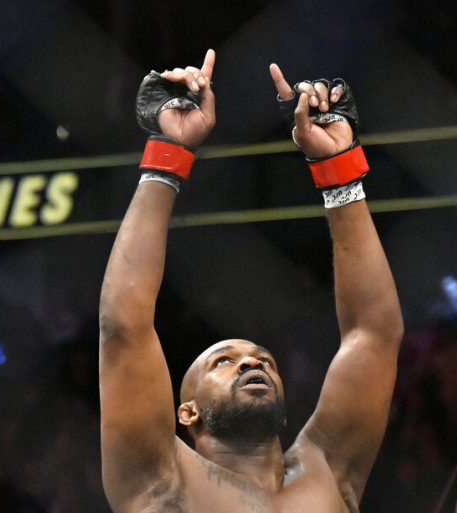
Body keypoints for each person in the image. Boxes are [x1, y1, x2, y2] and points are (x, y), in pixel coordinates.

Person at [98, 49, 404, 513]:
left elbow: (375, 335)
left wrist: (338, 168)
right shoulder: (159, 479)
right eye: (222, 362)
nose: (249, 363)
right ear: (187, 412)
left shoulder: (328, 470)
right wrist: (167, 153)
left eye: (264, 361)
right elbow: (123, 326)